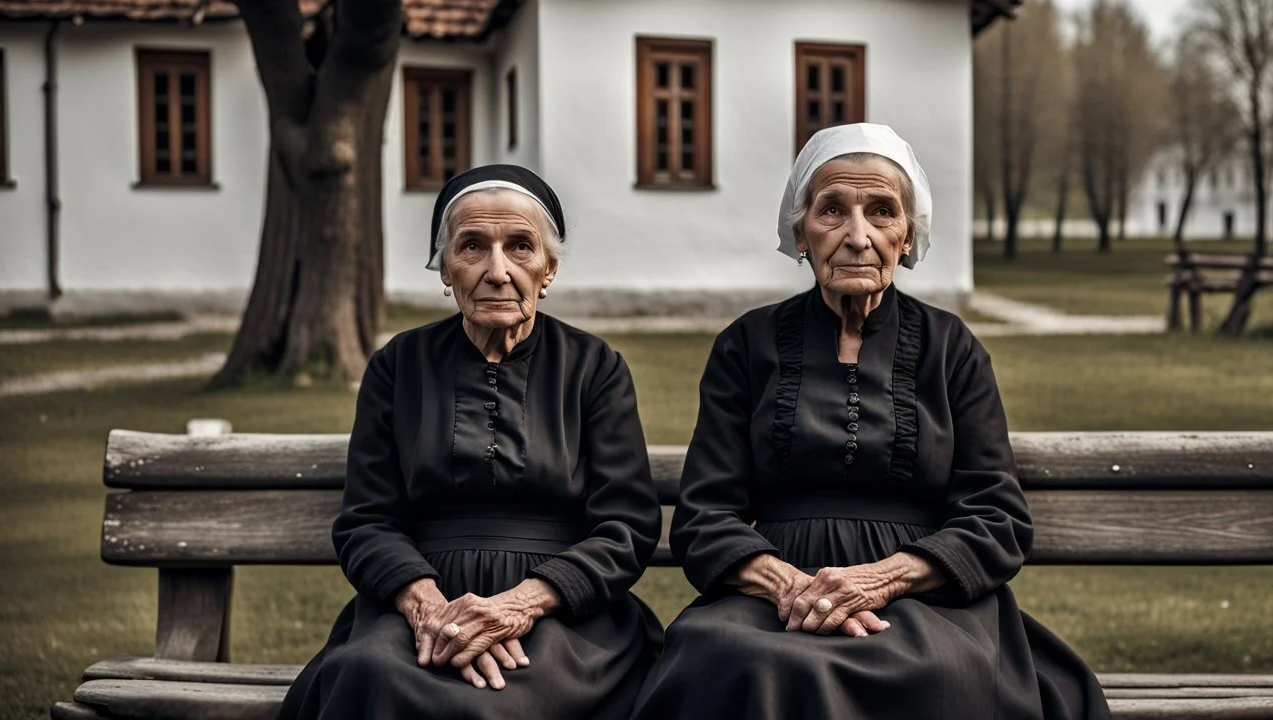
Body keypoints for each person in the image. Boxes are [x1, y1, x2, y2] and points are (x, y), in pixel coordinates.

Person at [632, 124, 1110, 719]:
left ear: (907, 235)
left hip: (923, 595)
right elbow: (704, 517)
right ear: (801, 232)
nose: (857, 236)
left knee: (940, 670)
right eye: (833, 210)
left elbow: (997, 516)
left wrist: (881, 579)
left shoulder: (950, 347)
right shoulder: (745, 346)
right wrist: (792, 587)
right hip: (773, 594)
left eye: (881, 212)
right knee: (734, 658)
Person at [278, 165, 663, 720]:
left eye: (521, 248)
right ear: (445, 269)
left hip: (562, 613)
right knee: (369, 672)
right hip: (419, 604)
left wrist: (519, 605)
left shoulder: (594, 367)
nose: (497, 271)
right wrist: (427, 607)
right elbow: (366, 521)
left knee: (510, 698)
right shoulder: (396, 367)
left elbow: (627, 526)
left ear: (549, 270)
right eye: (473, 247)